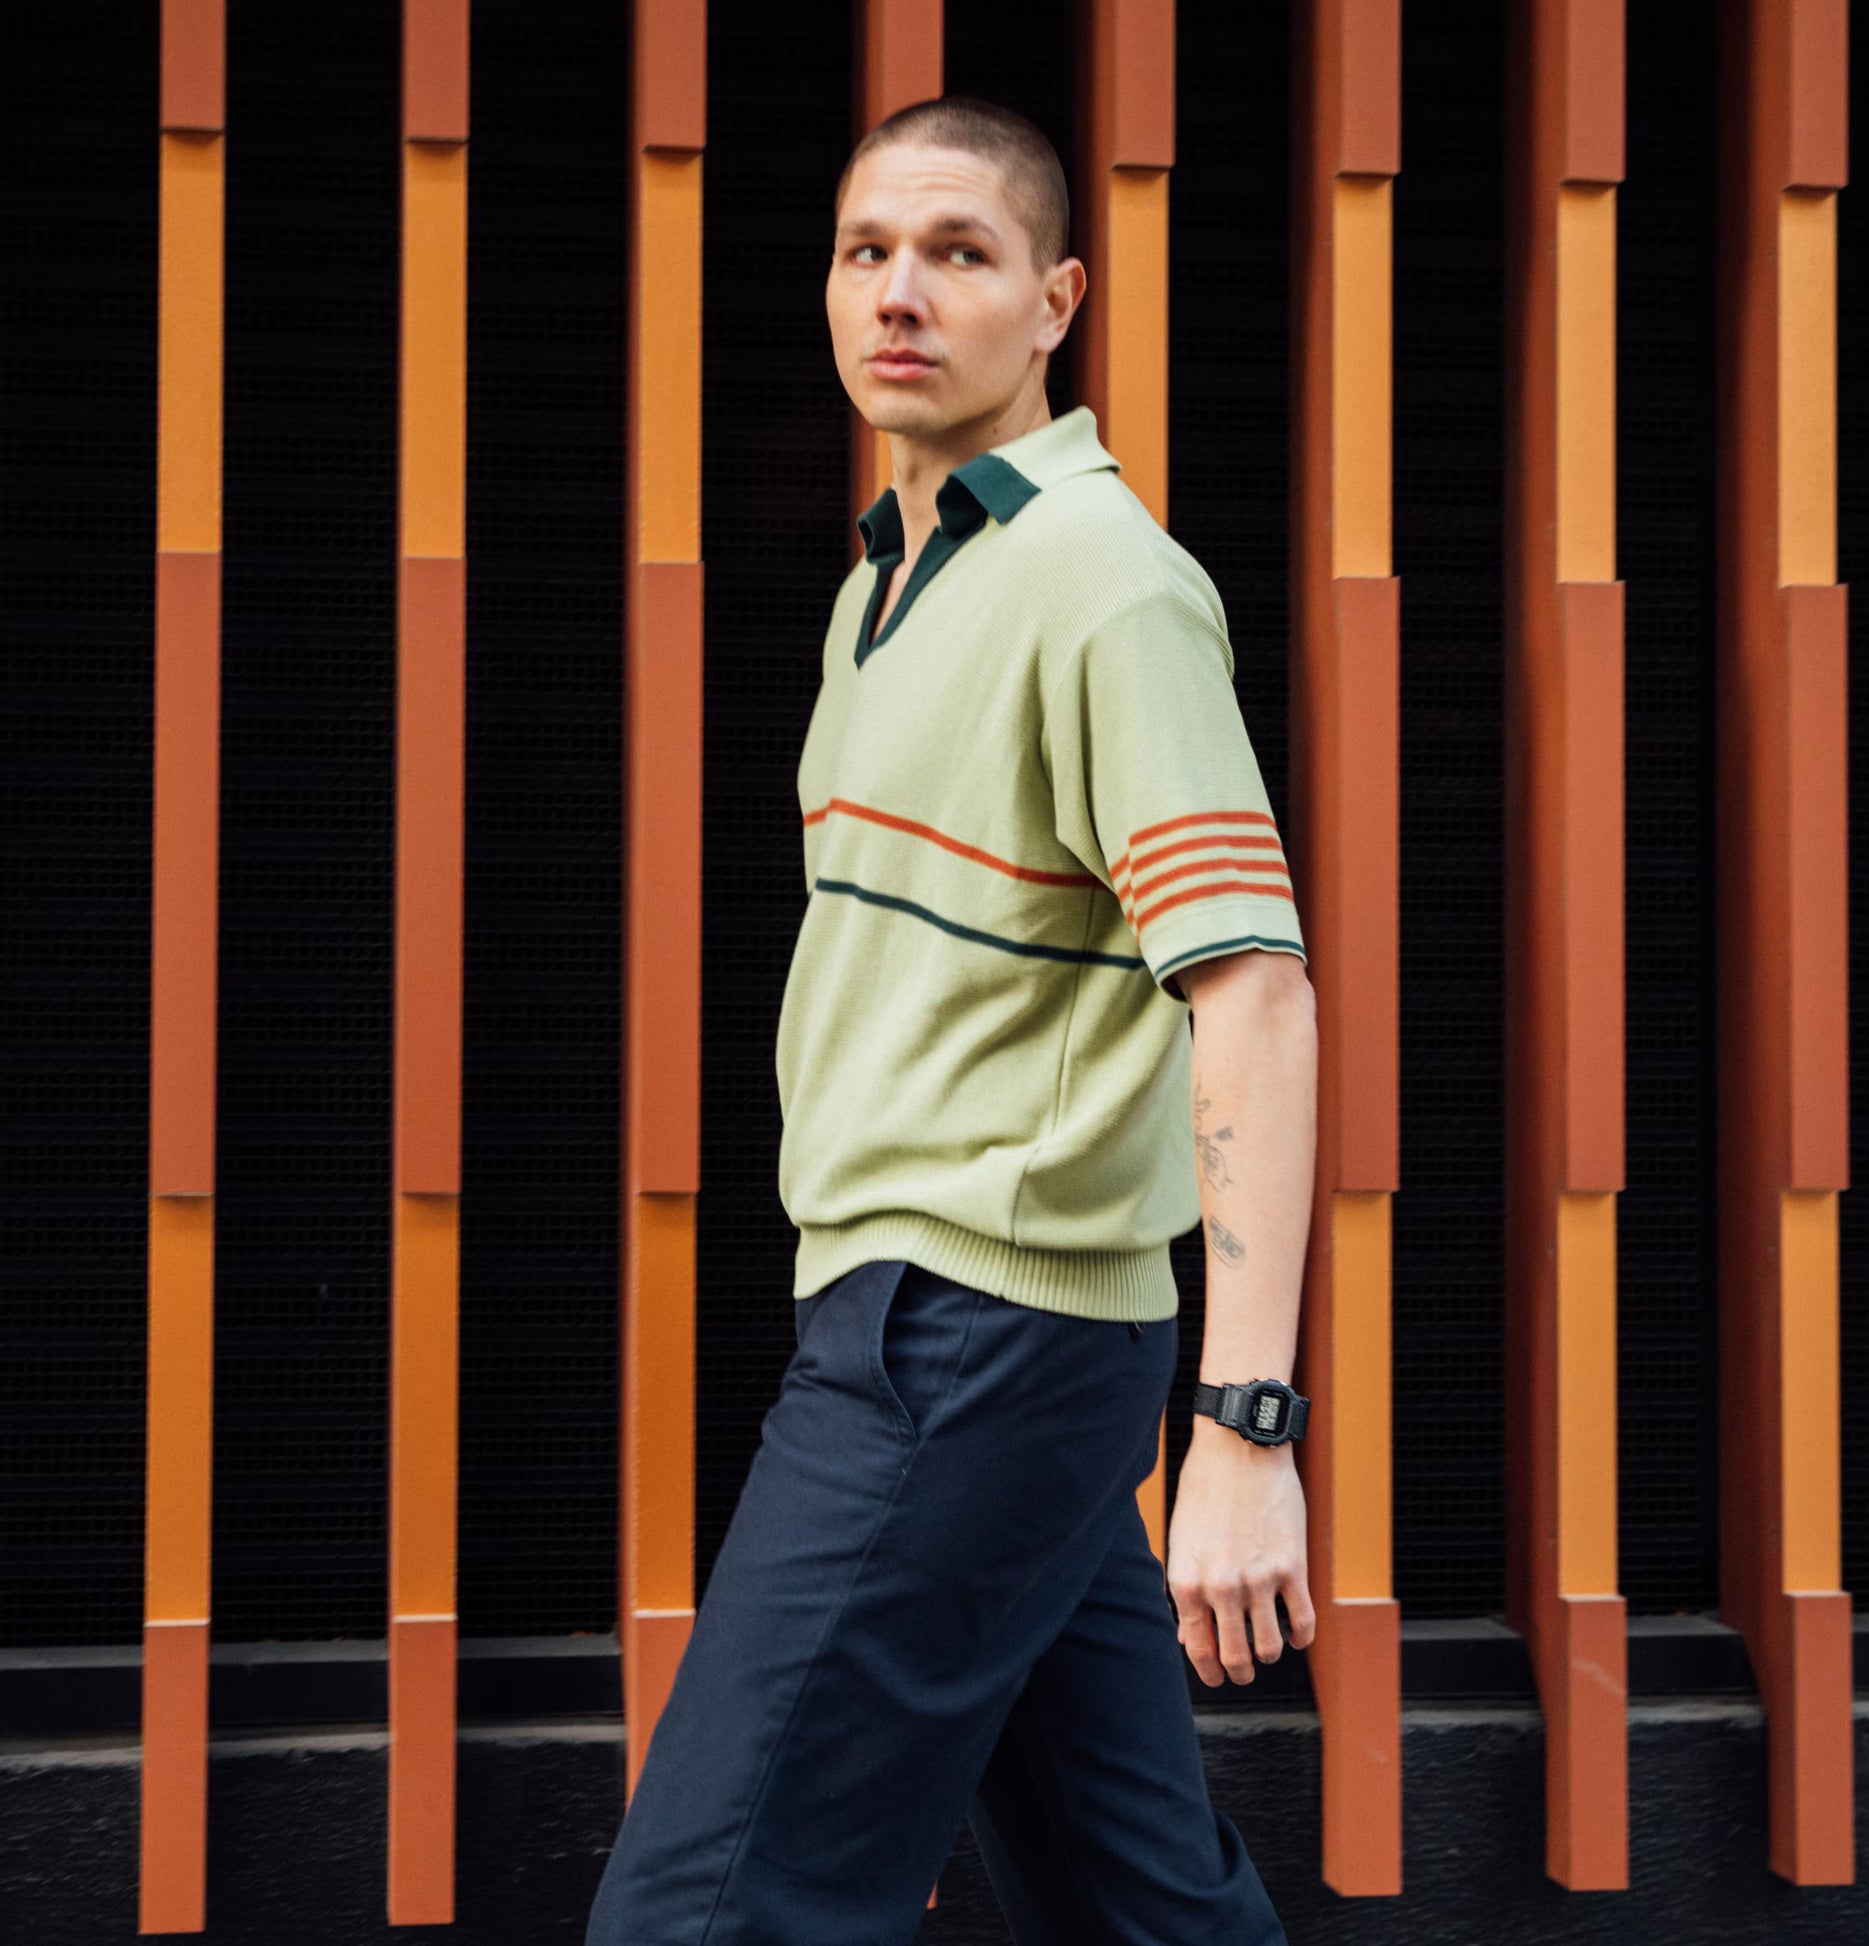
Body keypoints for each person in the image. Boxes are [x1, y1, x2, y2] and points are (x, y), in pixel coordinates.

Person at [586, 94, 1319, 1946]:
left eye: (958, 252)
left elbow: (1250, 987)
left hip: (972, 1322)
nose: (898, 292)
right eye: (866, 252)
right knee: (1140, 1899)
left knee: (704, 1908)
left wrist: (1243, 1427)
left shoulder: (1105, 583)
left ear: (1056, 299)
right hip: (942, 1315)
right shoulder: (890, 582)